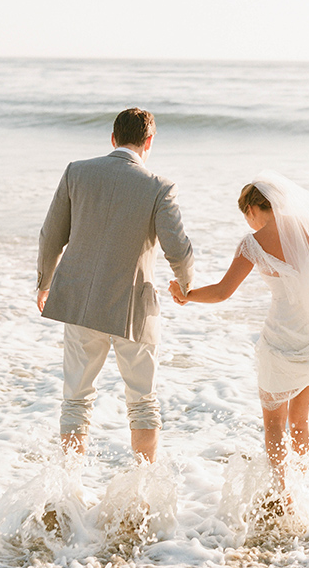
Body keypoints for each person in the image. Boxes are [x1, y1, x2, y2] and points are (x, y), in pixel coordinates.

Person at [169, 170, 309, 494]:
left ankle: (282, 492)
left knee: (274, 423)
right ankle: (302, 488)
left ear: (252, 209)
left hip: (282, 339)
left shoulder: (252, 243)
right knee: (301, 422)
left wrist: (185, 294)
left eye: (247, 215)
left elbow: (221, 292)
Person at [37, 107, 194, 464]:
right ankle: (142, 488)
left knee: (76, 399)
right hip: (133, 310)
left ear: (113, 138)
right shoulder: (159, 187)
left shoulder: (76, 172)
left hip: (79, 301)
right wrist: (185, 286)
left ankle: (68, 488)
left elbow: (50, 237)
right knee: (142, 401)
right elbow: (179, 250)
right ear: (149, 142)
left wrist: (45, 283)